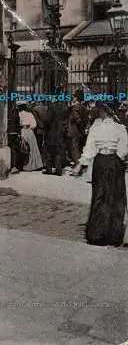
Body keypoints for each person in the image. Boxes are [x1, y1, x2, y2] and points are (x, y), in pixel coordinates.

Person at [72, 103, 128, 247]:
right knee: (116, 197)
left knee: (99, 195)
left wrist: (80, 164)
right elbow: (123, 151)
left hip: (100, 162)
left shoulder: (95, 128)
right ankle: (113, 235)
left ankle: (97, 234)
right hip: (114, 162)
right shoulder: (120, 128)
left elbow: (89, 149)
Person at [17, 101, 43, 171]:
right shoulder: (30, 114)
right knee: (32, 148)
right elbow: (34, 124)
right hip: (29, 131)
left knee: (23, 147)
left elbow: (18, 124)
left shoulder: (18, 114)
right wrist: (29, 127)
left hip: (22, 131)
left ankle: (23, 164)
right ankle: (34, 165)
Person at [67, 89, 89, 167]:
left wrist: (81, 128)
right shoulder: (84, 107)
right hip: (79, 132)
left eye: (74, 96)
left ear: (76, 97)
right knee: (79, 149)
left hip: (75, 131)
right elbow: (86, 120)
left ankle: (77, 166)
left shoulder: (75, 107)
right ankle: (79, 164)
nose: (73, 97)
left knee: (75, 149)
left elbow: (77, 119)